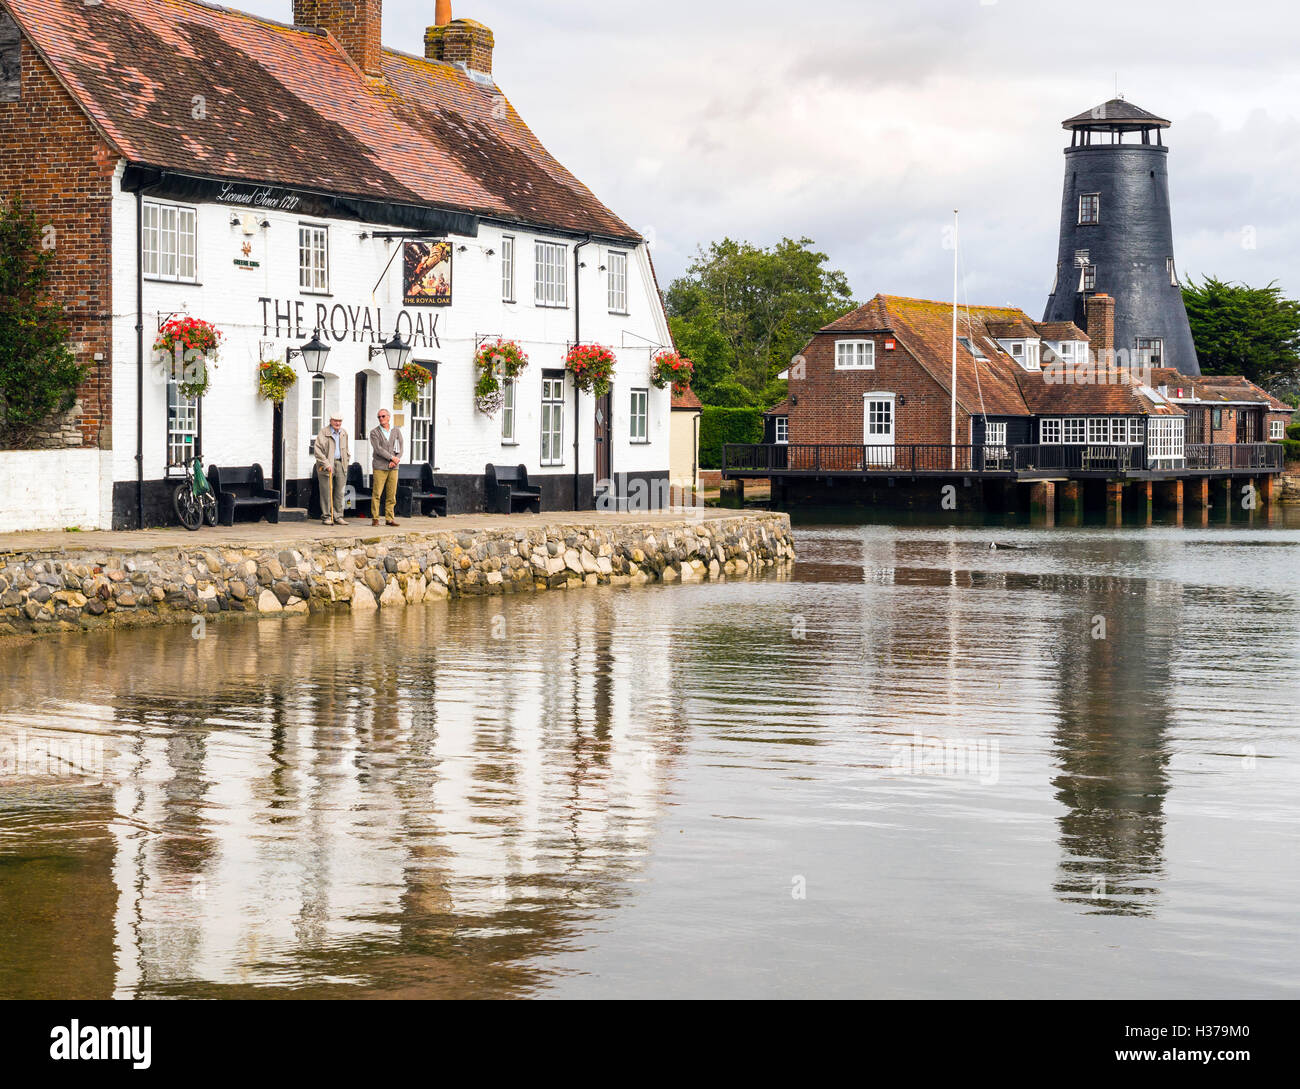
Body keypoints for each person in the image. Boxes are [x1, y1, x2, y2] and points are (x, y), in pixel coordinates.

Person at [313, 413, 350, 526]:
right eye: (335, 421)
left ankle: (338, 516)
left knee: (340, 491)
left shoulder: (343, 433)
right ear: (330, 421)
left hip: (340, 463)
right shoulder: (324, 433)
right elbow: (317, 450)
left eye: (339, 421)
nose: (338, 423)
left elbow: (346, 449)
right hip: (327, 464)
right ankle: (327, 516)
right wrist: (326, 463)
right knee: (326, 491)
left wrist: (347, 460)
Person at [369, 408, 404, 526]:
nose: (381, 419)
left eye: (383, 416)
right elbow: (378, 449)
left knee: (391, 494)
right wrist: (391, 458)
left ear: (389, 417)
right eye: (379, 417)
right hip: (380, 466)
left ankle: (389, 518)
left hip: (393, 467)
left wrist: (396, 460)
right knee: (377, 493)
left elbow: (401, 447)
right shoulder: (374, 432)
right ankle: (375, 518)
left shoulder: (396, 431)